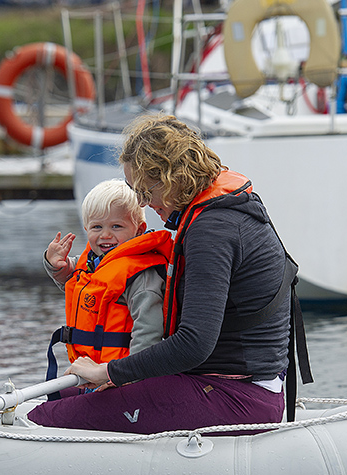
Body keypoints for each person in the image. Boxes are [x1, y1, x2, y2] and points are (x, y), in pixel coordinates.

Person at [28, 114, 311, 434]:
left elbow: (193, 344)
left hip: (237, 395)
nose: (144, 203)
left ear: (169, 177)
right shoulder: (229, 208)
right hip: (226, 384)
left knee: (45, 419)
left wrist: (110, 372)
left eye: (145, 191)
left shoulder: (212, 230)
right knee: (59, 394)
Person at [42, 179, 170, 389]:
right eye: (97, 227)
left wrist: (126, 376)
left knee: (50, 413)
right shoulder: (93, 262)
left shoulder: (141, 275)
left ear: (139, 229)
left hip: (122, 378)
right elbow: (76, 284)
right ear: (86, 228)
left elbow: (148, 331)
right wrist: (56, 266)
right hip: (89, 374)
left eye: (116, 226)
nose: (105, 235)